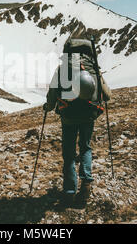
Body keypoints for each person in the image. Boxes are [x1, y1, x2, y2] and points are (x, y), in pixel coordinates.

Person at [43, 39, 112, 206]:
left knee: (68, 153)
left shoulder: (62, 69)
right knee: (85, 147)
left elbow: (52, 96)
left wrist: (48, 106)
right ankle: (86, 186)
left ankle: (69, 192)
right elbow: (107, 95)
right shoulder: (94, 69)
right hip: (89, 115)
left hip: (68, 117)